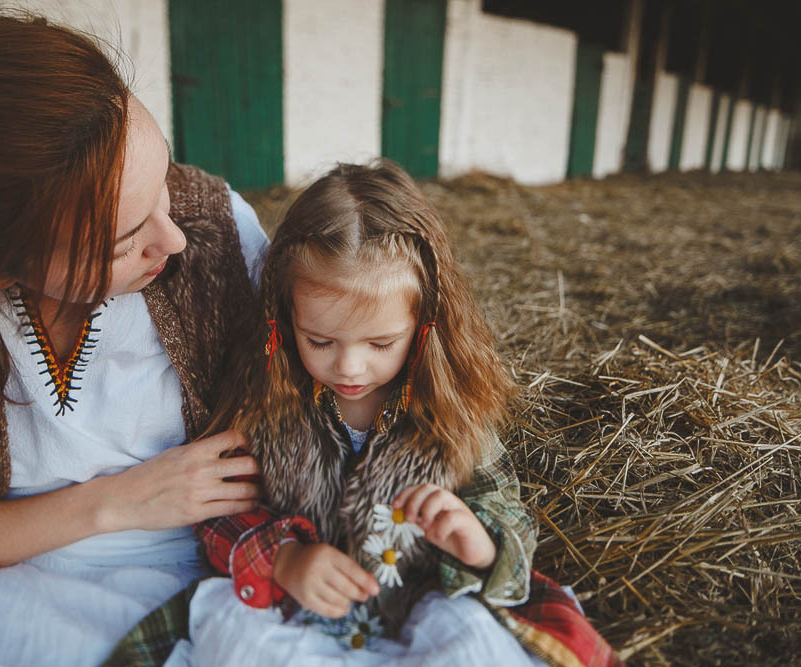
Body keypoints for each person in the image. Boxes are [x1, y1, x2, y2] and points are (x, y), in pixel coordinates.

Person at [0, 8, 266, 665]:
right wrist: (110, 504)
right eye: (126, 238)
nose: (175, 236)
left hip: (211, 565)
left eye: (162, 184)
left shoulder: (215, 227)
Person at [109, 162, 621, 666]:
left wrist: (478, 542)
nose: (350, 366)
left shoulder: (449, 414)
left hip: (417, 603)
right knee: (240, 644)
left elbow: (505, 508)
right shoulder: (264, 403)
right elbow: (221, 509)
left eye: (381, 342)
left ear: (424, 326)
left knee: (472, 646)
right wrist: (284, 559)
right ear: (284, 320)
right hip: (297, 606)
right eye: (320, 340)